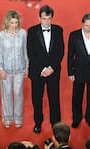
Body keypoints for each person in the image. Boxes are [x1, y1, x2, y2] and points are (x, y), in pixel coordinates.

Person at [27, 5, 64, 133]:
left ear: (52, 18)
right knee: (37, 98)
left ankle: (56, 124)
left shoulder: (58, 30)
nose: (46, 21)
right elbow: (30, 53)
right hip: (38, 72)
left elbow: (60, 51)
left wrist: (52, 67)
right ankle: (38, 122)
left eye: (48, 19)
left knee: (54, 98)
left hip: (53, 71)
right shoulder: (32, 31)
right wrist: (42, 69)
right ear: (39, 18)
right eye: (44, 19)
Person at [67, 13, 90, 129]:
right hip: (79, 71)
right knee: (77, 97)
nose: (88, 28)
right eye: (86, 25)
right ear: (82, 23)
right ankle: (76, 119)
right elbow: (70, 55)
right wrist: (70, 72)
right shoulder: (74, 35)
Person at [0, 11, 29, 129]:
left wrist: (27, 66)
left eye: (16, 22)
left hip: (20, 69)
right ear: (7, 22)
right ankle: (7, 117)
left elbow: (25, 50)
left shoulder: (23, 33)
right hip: (6, 70)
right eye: (12, 22)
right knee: (7, 94)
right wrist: (0, 68)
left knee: (18, 93)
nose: (14, 25)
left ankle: (18, 118)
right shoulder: (1, 35)